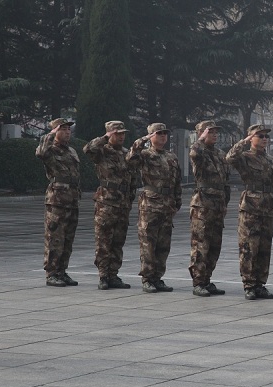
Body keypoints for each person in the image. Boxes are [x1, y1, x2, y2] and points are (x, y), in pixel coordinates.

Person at [127, 122, 182, 293]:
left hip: (167, 204)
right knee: (148, 243)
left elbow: (177, 181)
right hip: (150, 204)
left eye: (165, 133)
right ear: (151, 136)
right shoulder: (144, 155)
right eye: (159, 133)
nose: (163, 136)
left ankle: (158, 277)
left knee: (163, 244)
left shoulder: (171, 157)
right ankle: (147, 278)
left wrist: (177, 201)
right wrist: (142, 140)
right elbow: (130, 159)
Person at [83, 121, 138, 290]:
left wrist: (130, 200)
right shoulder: (102, 151)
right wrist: (104, 138)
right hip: (106, 203)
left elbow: (133, 178)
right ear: (109, 134)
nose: (121, 136)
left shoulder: (126, 153)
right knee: (103, 241)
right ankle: (103, 275)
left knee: (118, 241)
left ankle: (113, 275)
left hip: (123, 203)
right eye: (117, 133)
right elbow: (88, 149)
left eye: (123, 133)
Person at [226, 124, 273, 300]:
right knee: (249, 246)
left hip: (268, 207)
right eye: (260, 136)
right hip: (251, 207)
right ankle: (249, 284)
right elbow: (230, 157)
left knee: (264, 247)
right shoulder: (245, 157)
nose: (264, 139)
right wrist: (244, 142)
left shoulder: (270, 159)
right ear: (251, 138)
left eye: (266, 136)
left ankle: (260, 284)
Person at [35, 118, 81, 287]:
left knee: (68, 239)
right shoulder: (50, 149)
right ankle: (52, 273)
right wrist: (50, 135)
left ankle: (62, 271)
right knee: (55, 238)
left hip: (72, 199)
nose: (67, 132)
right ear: (55, 131)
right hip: (57, 200)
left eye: (68, 129)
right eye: (63, 129)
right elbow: (41, 153)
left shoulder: (71, 151)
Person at [188, 120, 231, 297]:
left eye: (215, 132)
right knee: (201, 244)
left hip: (218, 205)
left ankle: (207, 279)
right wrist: (200, 139)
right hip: (203, 204)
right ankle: (198, 282)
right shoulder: (199, 151)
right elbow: (193, 152)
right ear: (201, 133)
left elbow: (226, 180)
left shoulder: (220, 154)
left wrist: (225, 203)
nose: (214, 134)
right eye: (210, 132)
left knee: (214, 245)